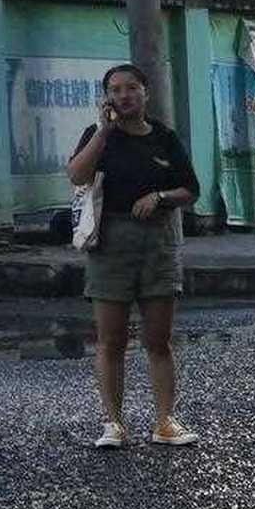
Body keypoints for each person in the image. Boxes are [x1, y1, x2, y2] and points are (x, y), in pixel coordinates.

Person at [65, 63, 201, 449]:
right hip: (110, 244)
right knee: (111, 339)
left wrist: (160, 197)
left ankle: (164, 422)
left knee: (158, 339)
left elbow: (190, 189)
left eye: (131, 88)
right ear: (107, 97)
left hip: (158, 243)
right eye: (115, 90)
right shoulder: (99, 135)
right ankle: (113, 423)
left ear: (145, 92)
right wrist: (104, 132)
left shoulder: (164, 138)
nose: (123, 96)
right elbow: (77, 175)